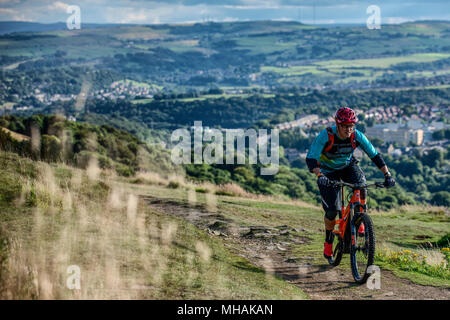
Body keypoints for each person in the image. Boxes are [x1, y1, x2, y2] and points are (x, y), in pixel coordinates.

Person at [305, 107, 395, 262]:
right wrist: (319, 175)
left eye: (351, 125)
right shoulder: (326, 135)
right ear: (337, 124)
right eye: (345, 126)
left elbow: (374, 155)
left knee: (361, 185)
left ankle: (360, 217)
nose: (349, 129)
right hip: (327, 172)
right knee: (333, 210)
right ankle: (328, 241)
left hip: (347, 166)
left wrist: (387, 175)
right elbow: (311, 158)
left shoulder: (356, 136)